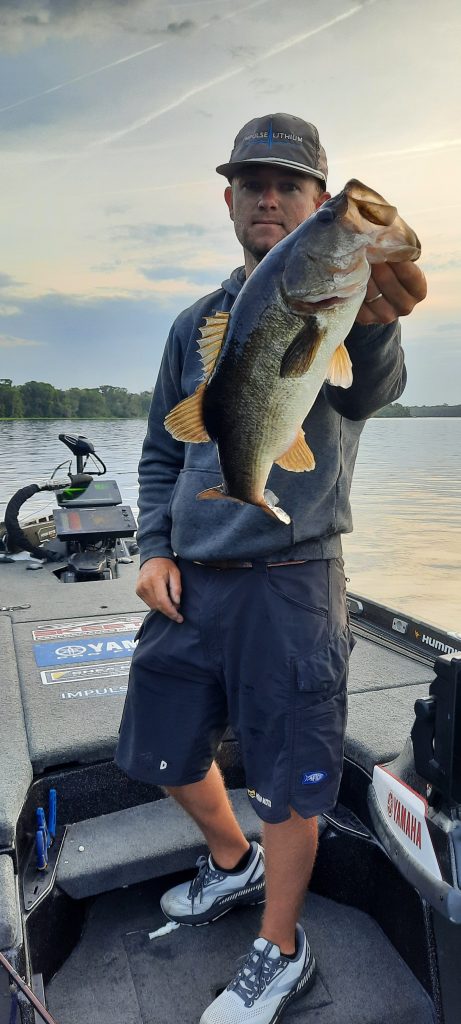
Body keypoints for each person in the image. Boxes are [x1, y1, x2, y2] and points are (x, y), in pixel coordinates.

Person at [116, 113, 426, 1024]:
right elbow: (160, 453)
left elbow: (370, 387)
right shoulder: (193, 325)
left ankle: (280, 949)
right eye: (252, 183)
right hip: (189, 582)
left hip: (292, 581)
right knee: (159, 748)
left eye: (290, 185)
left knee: (290, 784)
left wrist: (372, 324)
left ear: (316, 201)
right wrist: (151, 548)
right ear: (227, 200)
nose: (268, 198)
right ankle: (231, 861)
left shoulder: (348, 298)